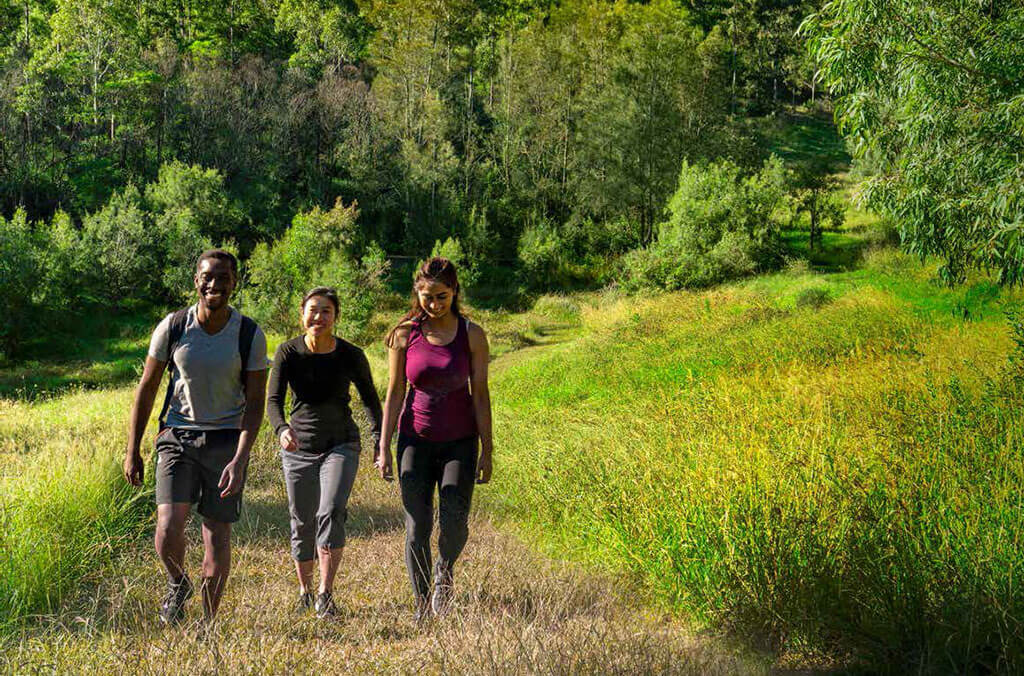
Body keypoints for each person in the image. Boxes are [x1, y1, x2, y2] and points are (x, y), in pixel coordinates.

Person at [123, 249, 268, 625]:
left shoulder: (249, 334)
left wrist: (240, 458)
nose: (214, 284)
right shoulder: (172, 326)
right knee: (169, 525)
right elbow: (148, 387)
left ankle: (208, 622)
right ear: (196, 280)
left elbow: (255, 404)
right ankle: (178, 583)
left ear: (235, 282)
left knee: (216, 534)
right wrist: (132, 449)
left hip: (225, 440)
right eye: (208, 276)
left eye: (223, 277)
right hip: (178, 435)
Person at [376, 257, 494, 620]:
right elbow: (395, 391)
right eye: (427, 296)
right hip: (414, 439)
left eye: (442, 296)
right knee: (417, 526)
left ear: (455, 292)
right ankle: (423, 603)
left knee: (455, 520)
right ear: (417, 292)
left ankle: (445, 568)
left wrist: (488, 449)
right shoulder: (404, 334)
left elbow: (481, 393)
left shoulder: (472, 334)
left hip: (460, 440)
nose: (434, 303)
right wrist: (384, 446)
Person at [266, 287, 383, 618]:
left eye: (326, 311)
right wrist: (282, 429)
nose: (318, 317)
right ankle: (304, 590)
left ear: (336, 316)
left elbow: (370, 400)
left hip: (340, 444)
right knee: (301, 518)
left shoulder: (351, 354)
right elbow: (273, 401)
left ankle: (325, 594)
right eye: (313, 310)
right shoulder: (288, 352)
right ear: (301, 313)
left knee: (330, 511)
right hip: (298, 445)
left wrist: (378, 440)